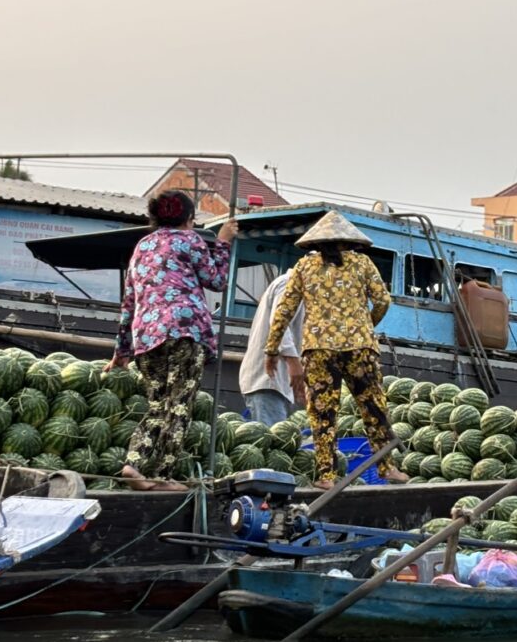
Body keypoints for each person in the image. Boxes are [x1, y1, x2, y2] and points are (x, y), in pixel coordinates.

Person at [263, 210, 409, 489]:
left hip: (319, 350)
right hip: (360, 349)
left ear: (316, 243)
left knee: (323, 412)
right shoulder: (363, 264)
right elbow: (382, 301)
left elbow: (285, 310)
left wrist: (271, 350)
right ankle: (387, 467)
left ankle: (327, 476)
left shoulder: (304, 267)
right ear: (349, 241)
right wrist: (366, 326)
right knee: (373, 408)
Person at [106, 190, 237, 492]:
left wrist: (121, 351)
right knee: (179, 406)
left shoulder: (141, 247)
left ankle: (133, 464)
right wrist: (224, 240)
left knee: (157, 406)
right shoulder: (190, 240)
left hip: (147, 336)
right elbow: (216, 280)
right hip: (184, 331)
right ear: (189, 220)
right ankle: (163, 477)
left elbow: (129, 302)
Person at [240, 270, 305, 426]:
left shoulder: (304, 289)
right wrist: (294, 364)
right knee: (272, 443)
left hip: (278, 384)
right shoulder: (287, 283)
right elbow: (279, 323)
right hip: (268, 381)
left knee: (276, 442)